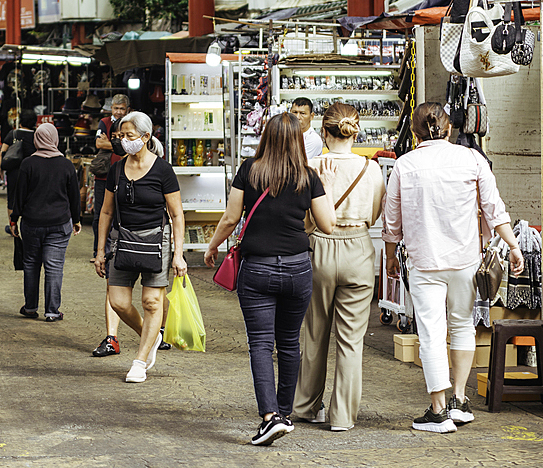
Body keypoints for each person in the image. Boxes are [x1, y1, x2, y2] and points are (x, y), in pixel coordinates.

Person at [383, 102, 524, 433]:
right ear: (449, 129)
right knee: (462, 326)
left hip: (424, 261)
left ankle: (438, 410)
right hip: (465, 260)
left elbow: (392, 221)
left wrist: (390, 255)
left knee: (431, 333)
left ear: (415, 133)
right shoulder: (472, 159)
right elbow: (494, 208)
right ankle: (460, 400)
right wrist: (514, 247)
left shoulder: (405, 165)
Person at [204, 112, 337, 446]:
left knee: (261, 344)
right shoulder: (309, 176)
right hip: (297, 268)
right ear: (298, 140)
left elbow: (231, 216)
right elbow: (327, 225)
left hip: (257, 269)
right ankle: (284, 413)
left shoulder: (250, 170)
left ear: (266, 137)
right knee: (290, 343)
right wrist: (326, 188)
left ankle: (269, 417)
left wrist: (212, 246)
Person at [293, 103, 386, 431]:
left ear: (323, 131)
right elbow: (374, 214)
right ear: (355, 131)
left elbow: (304, 216)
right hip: (358, 249)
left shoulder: (310, 166)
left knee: (315, 332)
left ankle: (304, 406)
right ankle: (342, 417)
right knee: (351, 340)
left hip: (318, 247)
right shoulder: (371, 170)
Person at [94, 111, 186, 384]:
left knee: (151, 301)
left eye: (129, 136)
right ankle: (152, 334)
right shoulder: (116, 170)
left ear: (146, 137)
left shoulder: (163, 170)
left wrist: (178, 254)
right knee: (118, 302)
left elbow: (177, 214)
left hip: (157, 241)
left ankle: (140, 361)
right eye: (121, 136)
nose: (124, 141)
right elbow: (106, 213)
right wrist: (100, 251)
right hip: (123, 240)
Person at [9, 123, 81, 322]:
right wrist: (76, 219)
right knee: (54, 266)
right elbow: (74, 196)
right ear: (55, 139)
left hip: (32, 223)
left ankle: (31, 307)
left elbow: (20, 195)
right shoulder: (66, 164)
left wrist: (14, 219)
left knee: (31, 264)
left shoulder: (28, 164)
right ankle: (52, 311)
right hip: (60, 223)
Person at [91, 94, 131, 357]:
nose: (116, 112)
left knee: (152, 294)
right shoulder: (105, 121)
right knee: (114, 287)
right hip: (107, 179)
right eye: (114, 108)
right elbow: (99, 142)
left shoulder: (157, 171)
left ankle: (156, 332)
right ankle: (112, 337)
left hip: (145, 239)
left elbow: (107, 143)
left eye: (121, 109)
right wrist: (100, 252)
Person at [0, 108, 38, 230]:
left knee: (12, 198)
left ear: (20, 121)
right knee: (30, 197)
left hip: (14, 172)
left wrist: (1, 170)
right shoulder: (36, 136)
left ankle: (12, 226)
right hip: (32, 171)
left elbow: (3, 152)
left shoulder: (13, 134)